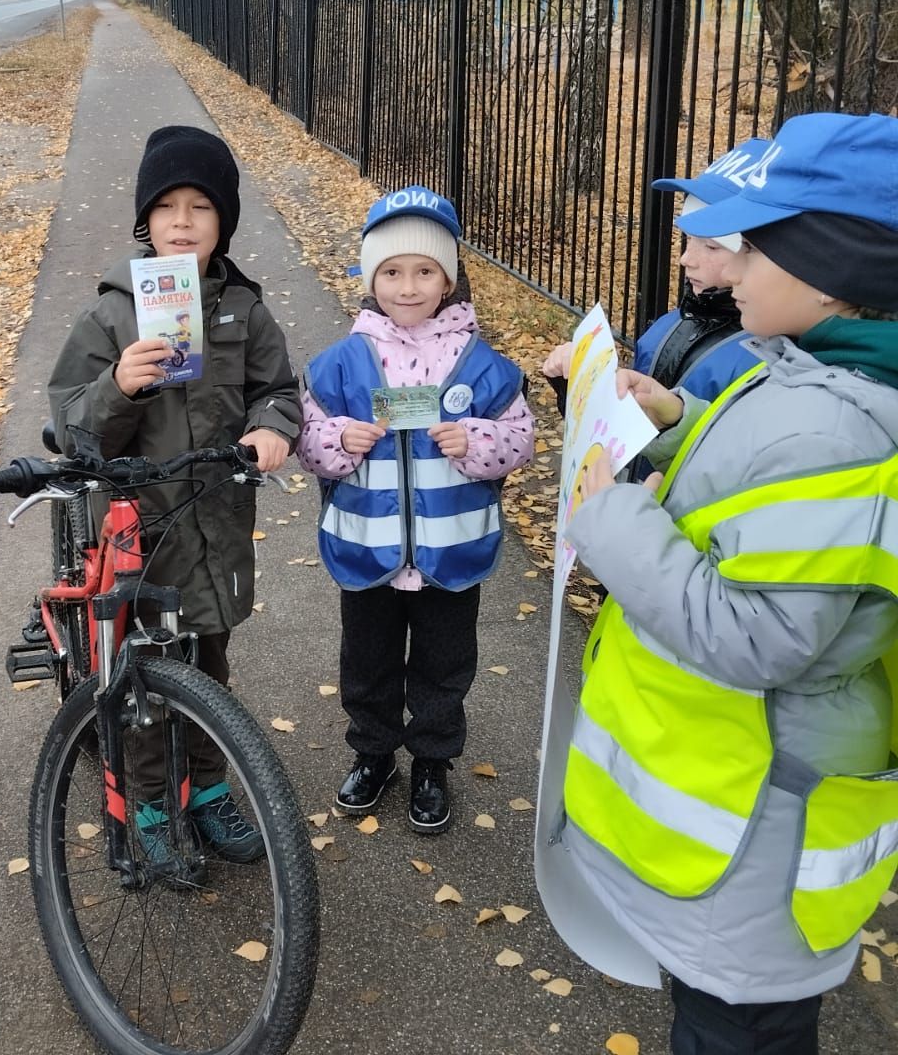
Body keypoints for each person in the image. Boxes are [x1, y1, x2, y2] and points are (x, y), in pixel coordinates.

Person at [562, 111, 898, 1053]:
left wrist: (613, 519)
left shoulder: (834, 431)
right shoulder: (804, 374)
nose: (729, 268)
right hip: (747, 813)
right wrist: (674, 415)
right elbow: (762, 479)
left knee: (737, 1035)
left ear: (835, 273)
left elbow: (757, 637)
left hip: (760, 824)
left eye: (755, 248)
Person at [48, 124, 301, 860]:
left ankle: (211, 790)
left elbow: (278, 389)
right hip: (137, 534)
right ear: (145, 222)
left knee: (209, 662)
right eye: (167, 208)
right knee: (140, 679)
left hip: (215, 523)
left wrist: (272, 428)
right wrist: (117, 386)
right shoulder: (110, 313)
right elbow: (70, 424)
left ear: (224, 221)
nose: (183, 221)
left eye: (201, 207)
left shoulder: (242, 310)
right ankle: (149, 809)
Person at [297, 186, 534, 833]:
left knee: (444, 665)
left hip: (450, 554)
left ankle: (432, 760)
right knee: (366, 663)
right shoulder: (339, 366)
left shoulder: (483, 368)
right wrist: (337, 442)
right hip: (366, 549)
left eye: (425, 270)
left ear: (449, 278)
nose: (408, 286)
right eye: (393, 271)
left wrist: (479, 441)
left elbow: (521, 440)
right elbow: (308, 442)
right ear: (371, 277)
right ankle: (373, 754)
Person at [543, 138, 769, 413]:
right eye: (688, 239)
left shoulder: (765, 365)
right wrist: (580, 384)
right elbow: (628, 429)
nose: (686, 259)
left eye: (711, 246)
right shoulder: (667, 326)